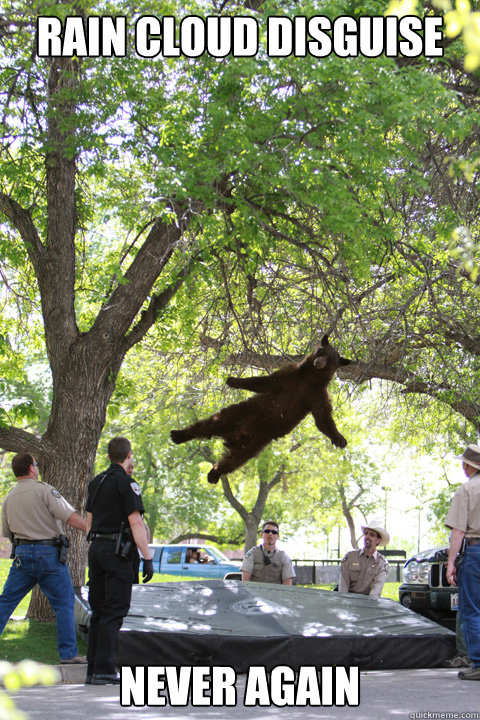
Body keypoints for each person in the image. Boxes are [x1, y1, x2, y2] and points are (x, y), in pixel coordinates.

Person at [0, 452, 87, 664]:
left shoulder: (9, 497)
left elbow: (6, 532)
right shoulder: (44, 490)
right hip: (48, 555)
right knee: (64, 604)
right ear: (31, 468)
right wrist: (90, 530)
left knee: (6, 602)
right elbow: (69, 517)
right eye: (36, 465)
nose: (37, 467)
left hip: (21, 555)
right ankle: (68, 654)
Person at [85, 436, 154, 686]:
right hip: (118, 552)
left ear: (108, 456)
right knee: (114, 611)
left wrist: (96, 547)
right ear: (128, 456)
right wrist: (147, 557)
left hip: (97, 549)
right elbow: (135, 522)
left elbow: (89, 523)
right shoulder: (127, 484)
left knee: (98, 610)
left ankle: (92, 668)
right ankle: (105, 670)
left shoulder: (96, 482)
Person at [445, 443, 480, 681]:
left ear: (468, 466)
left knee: (472, 610)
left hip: (476, 552)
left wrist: (451, 562)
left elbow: (458, 531)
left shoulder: (467, 490)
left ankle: (477, 662)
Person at [338, 521, 389, 599]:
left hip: (367, 605)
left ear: (378, 540)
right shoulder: (349, 557)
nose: (367, 536)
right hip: (348, 601)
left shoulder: (382, 564)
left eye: (372, 535)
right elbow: (343, 587)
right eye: (366, 533)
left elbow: (376, 591)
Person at [241, 520, 295, 584]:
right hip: (255, 593)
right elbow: (245, 582)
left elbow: (287, 585)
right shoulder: (252, 553)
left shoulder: (284, 557)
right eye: (267, 531)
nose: (270, 534)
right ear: (261, 535)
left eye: (274, 532)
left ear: (278, 536)